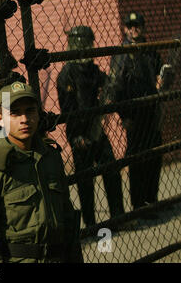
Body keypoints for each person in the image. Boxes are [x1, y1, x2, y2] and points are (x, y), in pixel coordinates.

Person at [0, 81, 83, 263]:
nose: (24, 119)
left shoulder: (50, 157)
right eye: (15, 113)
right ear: (0, 119)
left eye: (30, 111)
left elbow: (67, 218)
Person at [57, 25, 125, 227]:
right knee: (85, 180)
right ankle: (90, 223)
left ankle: (118, 216)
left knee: (111, 170)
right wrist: (76, 136)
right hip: (78, 133)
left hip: (96, 128)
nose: (84, 47)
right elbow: (67, 110)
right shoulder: (67, 73)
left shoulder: (93, 70)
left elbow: (108, 85)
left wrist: (111, 84)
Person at [109, 12, 166, 217]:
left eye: (137, 25)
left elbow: (160, 74)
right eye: (130, 25)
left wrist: (162, 80)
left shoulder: (150, 51)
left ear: (143, 27)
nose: (134, 29)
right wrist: (124, 116)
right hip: (134, 115)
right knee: (137, 160)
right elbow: (115, 89)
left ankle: (152, 200)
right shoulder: (122, 53)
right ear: (125, 28)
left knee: (154, 158)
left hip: (152, 113)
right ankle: (139, 205)